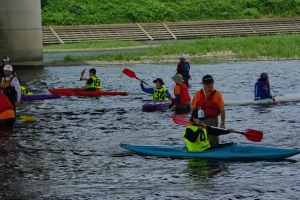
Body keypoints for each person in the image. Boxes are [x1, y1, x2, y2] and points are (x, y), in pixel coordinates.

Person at [190, 75, 225, 145]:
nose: (210, 85)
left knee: (213, 138)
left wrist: (222, 123)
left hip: (212, 119)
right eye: (208, 84)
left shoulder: (217, 94)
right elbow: (194, 108)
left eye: (211, 83)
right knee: (201, 137)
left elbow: (222, 110)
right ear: (203, 84)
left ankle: (214, 148)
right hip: (200, 120)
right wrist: (192, 120)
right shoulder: (198, 94)